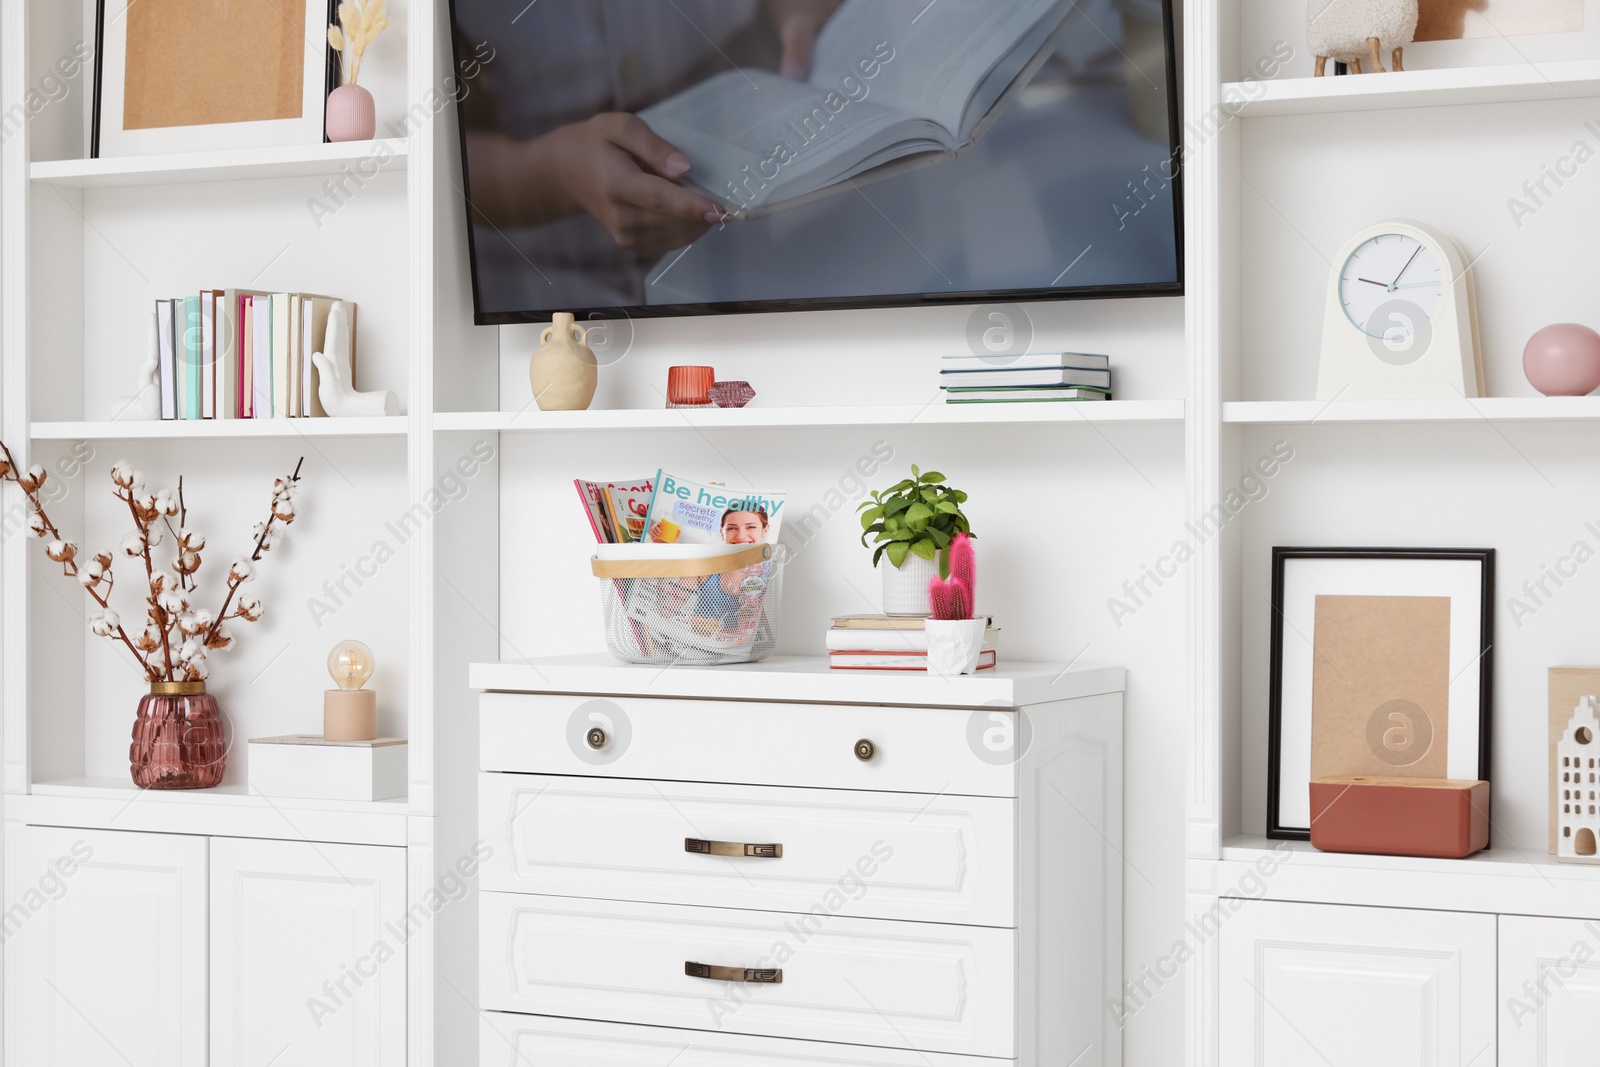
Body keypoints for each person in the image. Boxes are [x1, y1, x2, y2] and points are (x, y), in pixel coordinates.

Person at [456, 0, 843, 309]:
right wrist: (553, 175)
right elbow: (424, 149)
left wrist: (803, 11)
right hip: (534, 277)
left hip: (756, 236)